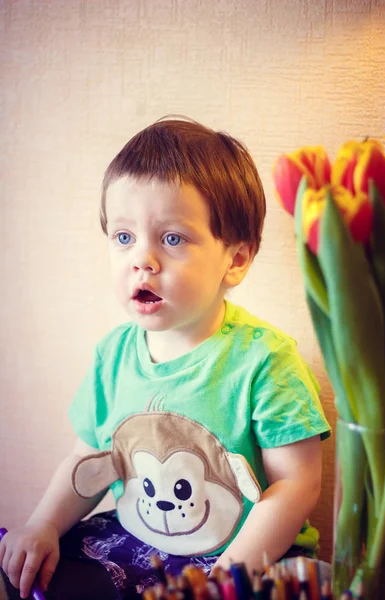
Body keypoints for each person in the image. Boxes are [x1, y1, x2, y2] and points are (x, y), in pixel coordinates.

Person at [0, 117, 331, 600]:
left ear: (235, 259)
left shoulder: (265, 360)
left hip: (246, 552)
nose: (143, 260)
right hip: (137, 541)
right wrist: (43, 524)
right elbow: (85, 458)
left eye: (172, 238)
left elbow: (298, 487)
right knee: (29, 571)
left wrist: (227, 578)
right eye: (123, 237)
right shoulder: (112, 355)